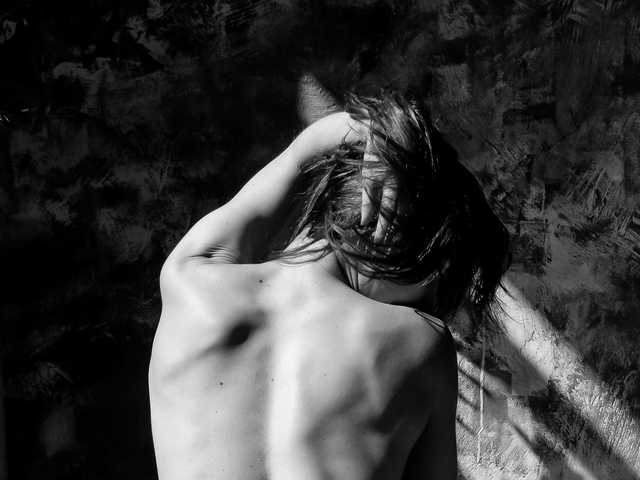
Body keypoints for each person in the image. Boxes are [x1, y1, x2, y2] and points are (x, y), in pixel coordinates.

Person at [149, 93, 510, 480]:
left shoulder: (190, 280)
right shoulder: (420, 341)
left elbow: (298, 156)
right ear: (395, 236)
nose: (432, 301)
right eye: (439, 278)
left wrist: (378, 133)